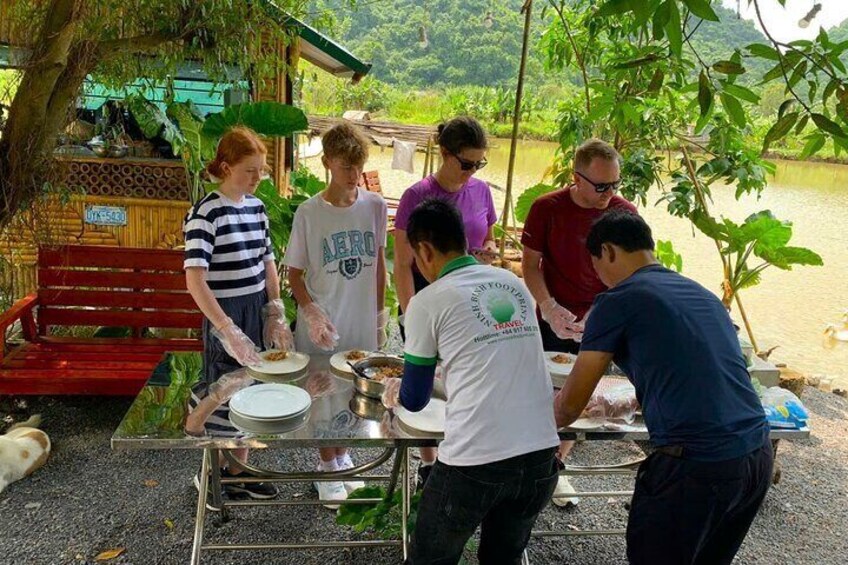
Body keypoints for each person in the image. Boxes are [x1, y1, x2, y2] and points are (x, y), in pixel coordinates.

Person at [554, 210, 773, 565]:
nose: (600, 279)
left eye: (596, 267)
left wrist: (527, 424)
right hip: (755, 455)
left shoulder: (617, 300)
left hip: (698, 465)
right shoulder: (701, 294)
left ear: (607, 251)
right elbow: (693, 367)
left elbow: (568, 407)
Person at [382, 199, 560, 565]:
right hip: (541, 457)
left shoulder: (426, 302)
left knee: (430, 558)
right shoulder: (513, 283)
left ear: (425, 250)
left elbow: (413, 399)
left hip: (475, 462)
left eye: (416, 257)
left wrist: (394, 392)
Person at [521, 138, 637, 507]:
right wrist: (549, 306)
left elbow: (633, 272)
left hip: (601, 317)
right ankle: (530, 458)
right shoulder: (547, 208)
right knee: (541, 388)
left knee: (581, 393)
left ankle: (555, 464)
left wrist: (603, 310)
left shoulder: (624, 213)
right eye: (601, 185)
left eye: (615, 185)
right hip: (554, 314)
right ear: (576, 177)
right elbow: (529, 264)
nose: (609, 193)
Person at [184, 126, 292, 504]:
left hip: (255, 306)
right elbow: (195, 281)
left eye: (261, 170)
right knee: (223, 388)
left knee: (255, 387)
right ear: (226, 167)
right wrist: (226, 329)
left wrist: (274, 310)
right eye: (251, 170)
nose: (258, 178)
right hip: (223, 313)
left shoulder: (258, 208)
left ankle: (239, 470)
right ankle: (213, 474)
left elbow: (268, 263)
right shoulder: (206, 213)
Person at [284, 122, 388, 508]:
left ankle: (343, 459)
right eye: (346, 168)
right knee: (323, 395)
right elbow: (293, 273)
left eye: (358, 168)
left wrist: (379, 314)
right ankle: (327, 467)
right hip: (324, 324)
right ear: (327, 162)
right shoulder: (309, 213)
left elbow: (379, 263)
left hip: (361, 319)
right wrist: (309, 311)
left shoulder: (375, 206)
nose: (353, 176)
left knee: (353, 393)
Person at [394, 116, 498, 485]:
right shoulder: (416, 196)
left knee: (463, 380)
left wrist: (487, 252)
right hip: (426, 299)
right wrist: (412, 317)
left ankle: (461, 454)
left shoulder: (482, 192)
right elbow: (403, 265)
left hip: (471, 304)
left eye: (478, 164)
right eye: (465, 162)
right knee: (424, 384)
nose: (471, 171)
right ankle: (428, 462)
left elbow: (488, 241)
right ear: (444, 153)